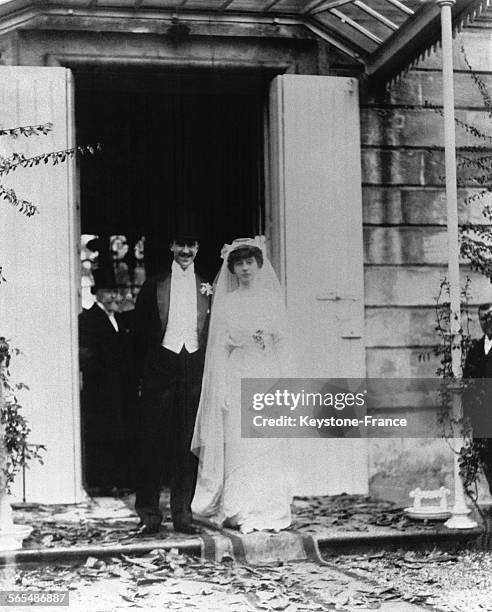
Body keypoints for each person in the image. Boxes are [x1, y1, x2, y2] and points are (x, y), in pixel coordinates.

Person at [191, 237, 293, 533]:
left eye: (250, 262)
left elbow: (283, 342)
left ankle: (270, 508)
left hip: (267, 371)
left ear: (259, 265)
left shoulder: (272, 300)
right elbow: (220, 347)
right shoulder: (228, 303)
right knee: (241, 442)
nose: (245, 268)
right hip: (237, 373)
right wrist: (221, 385)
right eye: (239, 263)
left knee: (267, 440)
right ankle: (241, 508)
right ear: (232, 268)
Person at [133, 235, 211, 534]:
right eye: (180, 244)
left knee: (187, 445)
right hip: (159, 370)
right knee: (151, 442)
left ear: (198, 248)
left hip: (193, 370)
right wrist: (142, 375)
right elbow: (138, 333)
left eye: (192, 244)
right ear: (171, 247)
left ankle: (183, 515)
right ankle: (149, 515)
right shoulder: (154, 285)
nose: (186, 250)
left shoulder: (208, 286)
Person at [79, 268, 136, 494]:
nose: (114, 296)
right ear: (97, 294)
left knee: (118, 432)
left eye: (117, 291)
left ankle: (117, 480)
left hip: (119, 388)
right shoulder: (88, 319)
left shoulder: (118, 320)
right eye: (109, 292)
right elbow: (87, 355)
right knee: (101, 434)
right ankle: (102, 481)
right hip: (100, 390)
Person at [463, 302, 492, 494]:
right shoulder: (475, 351)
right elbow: (467, 385)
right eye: (484, 318)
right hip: (482, 425)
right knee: (488, 466)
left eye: (491, 316)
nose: (488, 321)